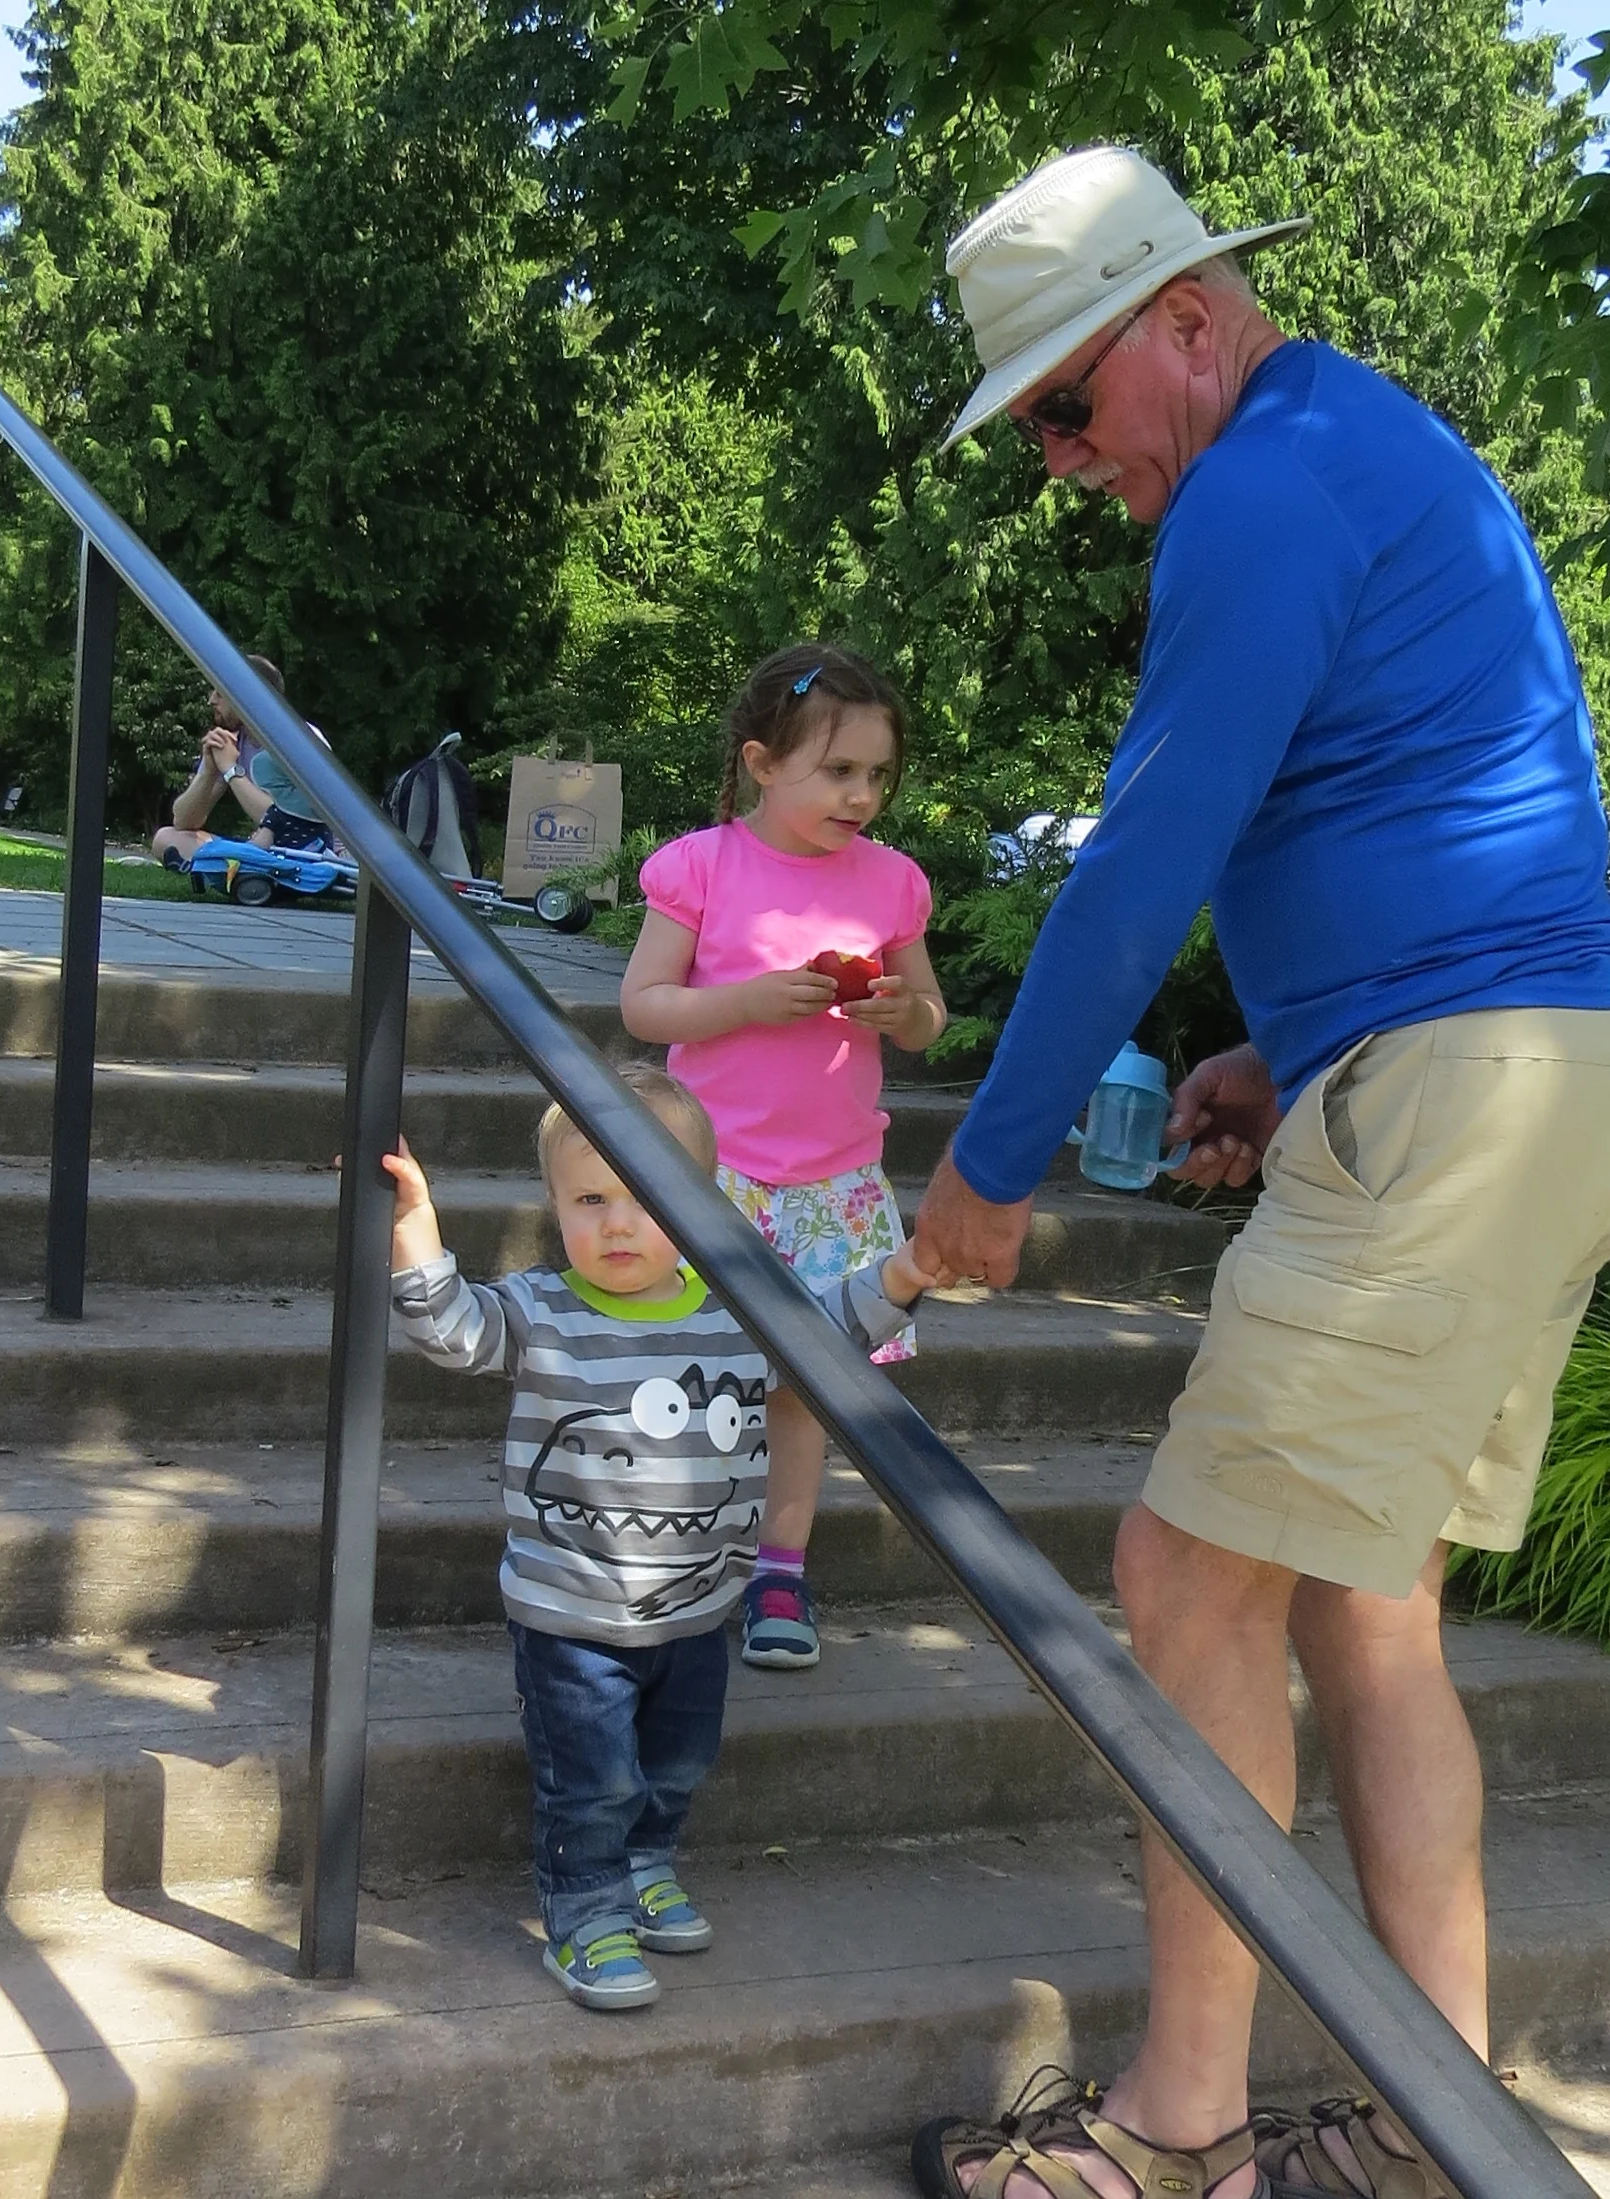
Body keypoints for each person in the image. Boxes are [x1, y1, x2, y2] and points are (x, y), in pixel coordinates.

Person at [907, 147, 1610, 2199]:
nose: (1058, 459)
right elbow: (1431, 805)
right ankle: (1427, 2125)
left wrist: (987, 1163)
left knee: (1183, 1573)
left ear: (1189, 322)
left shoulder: (1258, 491)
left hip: (1453, 1091)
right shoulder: (1357, 448)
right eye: (1031, 425)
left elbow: (1138, 860)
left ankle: (1176, 2123)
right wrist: (1287, 1051)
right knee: (1367, 1605)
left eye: (1063, 401)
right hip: (1519, 1070)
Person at [387, 1066, 934, 2010]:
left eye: (645, 1197)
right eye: (589, 1199)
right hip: (571, 1616)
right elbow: (451, 1329)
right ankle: (584, 1912)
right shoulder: (541, 1309)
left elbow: (829, 1328)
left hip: (697, 1610)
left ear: (703, 1202)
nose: (617, 1223)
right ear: (555, 1206)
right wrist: (415, 1226)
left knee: (677, 1762)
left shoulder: (737, 1314)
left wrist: (908, 1270)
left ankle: (646, 1864)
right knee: (591, 1780)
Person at [619, 641, 948, 1673]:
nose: (862, 795)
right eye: (838, 770)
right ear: (762, 764)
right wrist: (748, 1003)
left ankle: (778, 1570)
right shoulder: (701, 866)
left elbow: (930, 1017)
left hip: (834, 1186)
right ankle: (668, 1547)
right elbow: (644, 1006)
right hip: (709, 1176)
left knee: (806, 1388)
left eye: (877, 774)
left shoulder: (891, 882)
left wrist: (903, 1011)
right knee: (683, 1366)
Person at [150, 655, 335, 866]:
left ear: (249, 696)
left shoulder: (300, 741)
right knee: (166, 839)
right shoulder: (232, 740)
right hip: (265, 847)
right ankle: (241, 867)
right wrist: (209, 772)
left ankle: (233, 867)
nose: (211, 700)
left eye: (220, 693)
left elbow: (291, 823)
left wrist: (230, 770)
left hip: (311, 853)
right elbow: (183, 821)